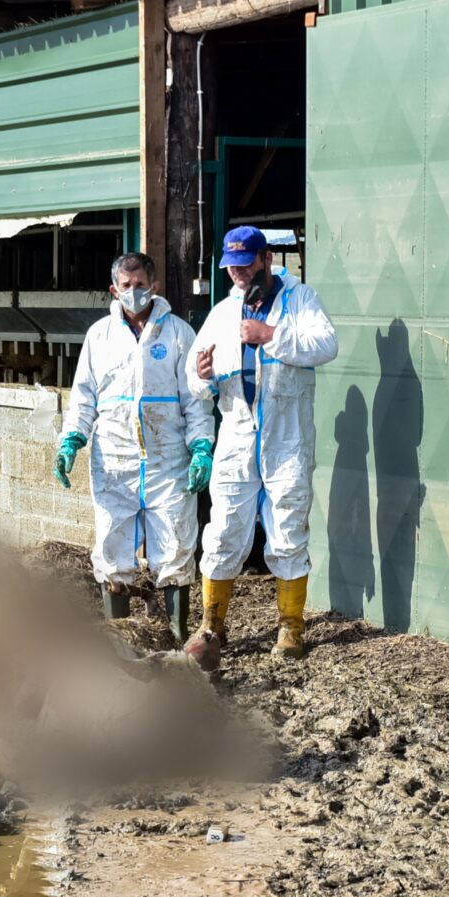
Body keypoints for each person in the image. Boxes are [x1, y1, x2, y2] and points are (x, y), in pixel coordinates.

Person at [189, 226, 337, 662]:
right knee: (224, 528)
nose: (237, 274)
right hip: (237, 433)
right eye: (230, 267)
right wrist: (199, 374)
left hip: (286, 436)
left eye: (245, 264)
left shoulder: (300, 299)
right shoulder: (222, 312)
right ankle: (212, 624)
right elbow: (195, 381)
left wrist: (270, 335)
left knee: (288, 527)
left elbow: (326, 344)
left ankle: (291, 626)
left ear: (266, 259)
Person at [55, 253, 215, 641]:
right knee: (113, 546)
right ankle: (120, 639)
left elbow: (195, 398)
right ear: (114, 290)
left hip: (168, 459)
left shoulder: (178, 334)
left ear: (154, 285)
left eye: (140, 284)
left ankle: (176, 639)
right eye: (125, 287)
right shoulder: (99, 336)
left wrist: (201, 447)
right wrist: (71, 439)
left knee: (176, 545)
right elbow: (84, 396)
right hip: (115, 457)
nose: (134, 292)